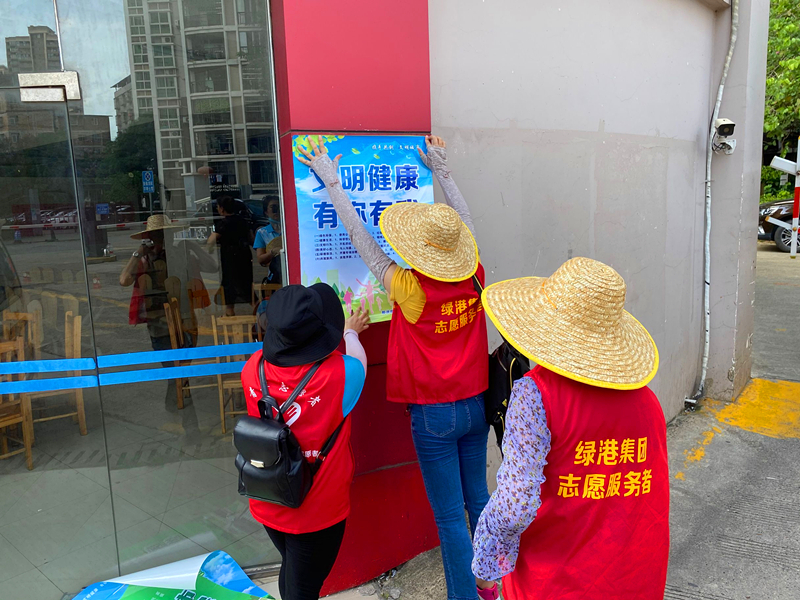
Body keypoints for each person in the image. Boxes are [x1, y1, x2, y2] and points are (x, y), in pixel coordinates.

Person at [298, 135, 497, 600]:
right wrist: (441, 169)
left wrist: (331, 182)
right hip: (476, 404)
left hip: (434, 414)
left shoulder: (411, 288)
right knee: (479, 501)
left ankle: (464, 597)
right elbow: (466, 223)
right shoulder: (474, 272)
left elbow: (362, 241)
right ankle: (493, 585)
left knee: (449, 517)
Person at [472, 257, 670, 600]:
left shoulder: (536, 396)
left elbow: (514, 507)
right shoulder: (648, 402)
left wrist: (486, 572)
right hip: (636, 578)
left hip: (556, 583)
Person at [240, 283, 370, 600]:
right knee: (303, 587)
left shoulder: (252, 368)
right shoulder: (343, 374)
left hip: (268, 496)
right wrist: (350, 333)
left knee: (293, 572)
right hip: (318, 511)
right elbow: (358, 363)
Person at [120, 214, 215, 353]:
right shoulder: (145, 260)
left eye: (166, 234)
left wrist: (193, 247)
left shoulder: (181, 255)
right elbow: (124, 280)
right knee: (167, 357)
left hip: (185, 317)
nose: (163, 239)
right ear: (150, 238)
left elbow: (212, 267)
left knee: (187, 354)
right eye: (158, 235)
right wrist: (137, 254)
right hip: (158, 321)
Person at [206, 196, 254, 316]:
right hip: (244, 256)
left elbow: (211, 241)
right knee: (246, 285)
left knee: (230, 285)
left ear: (222, 208)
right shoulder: (243, 221)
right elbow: (251, 238)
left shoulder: (223, 223)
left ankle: (230, 314)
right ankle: (260, 311)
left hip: (230, 258)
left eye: (218, 207)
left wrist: (210, 250)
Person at [254, 194, 284, 285]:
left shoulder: (290, 229)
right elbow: (261, 259)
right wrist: (272, 252)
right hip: (274, 277)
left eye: (278, 207)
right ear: (266, 211)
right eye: (273, 207)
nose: (276, 210)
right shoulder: (262, 233)